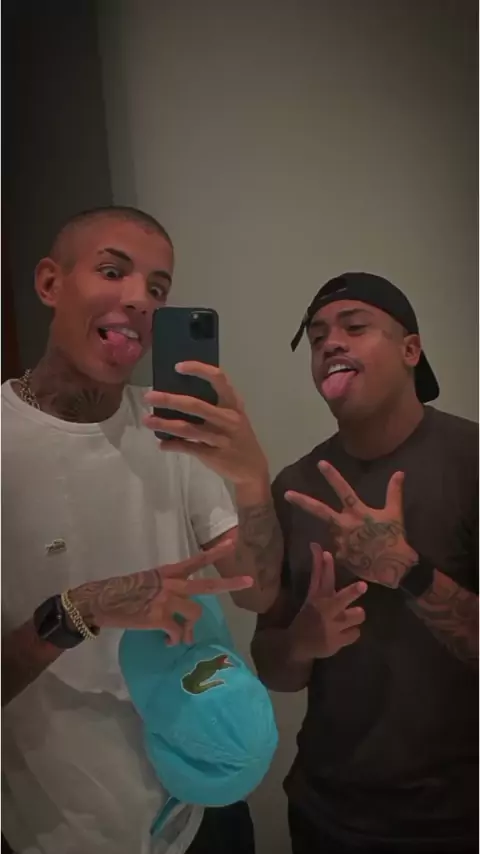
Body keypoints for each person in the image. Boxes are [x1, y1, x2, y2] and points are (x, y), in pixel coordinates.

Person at [1, 206, 282, 854]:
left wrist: (251, 483)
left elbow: (257, 592)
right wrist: (80, 610)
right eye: (112, 271)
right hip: (61, 833)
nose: (140, 301)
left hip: (198, 810)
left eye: (158, 288)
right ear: (49, 283)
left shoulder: (171, 432)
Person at [251, 272, 478, 854]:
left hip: (458, 820)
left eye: (355, 327)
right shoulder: (295, 487)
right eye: (317, 336)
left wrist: (410, 572)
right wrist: (301, 642)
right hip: (326, 812)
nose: (331, 342)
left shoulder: (471, 461)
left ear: (411, 350)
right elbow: (272, 665)